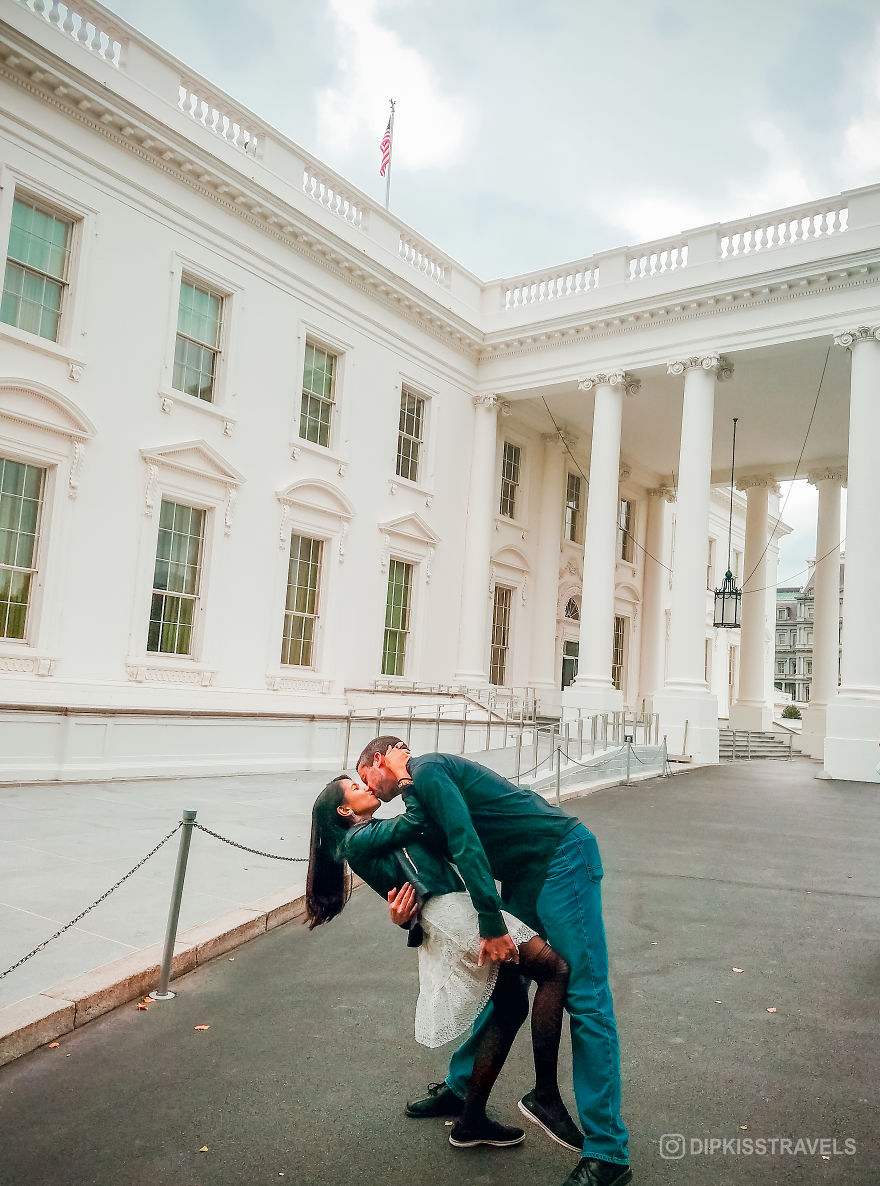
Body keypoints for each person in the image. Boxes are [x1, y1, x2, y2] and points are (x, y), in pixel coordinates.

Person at [357, 739, 632, 1186]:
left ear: (382, 757)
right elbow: (431, 880)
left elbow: (466, 843)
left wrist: (490, 922)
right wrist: (404, 918)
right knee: (502, 984)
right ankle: (464, 1084)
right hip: (525, 872)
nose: (367, 789)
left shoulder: (427, 770)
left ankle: (608, 1153)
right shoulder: (415, 802)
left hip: (561, 856)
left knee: (586, 997)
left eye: (364, 775)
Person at [305, 773, 582, 1152]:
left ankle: (471, 1122)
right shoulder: (357, 839)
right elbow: (416, 820)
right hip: (451, 913)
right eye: (356, 788)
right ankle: (545, 1094)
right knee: (554, 970)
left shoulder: (373, 833)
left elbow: (428, 839)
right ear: (344, 810)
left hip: (450, 910)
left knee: (511, 1004)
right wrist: (405, 778)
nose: (366, 788)